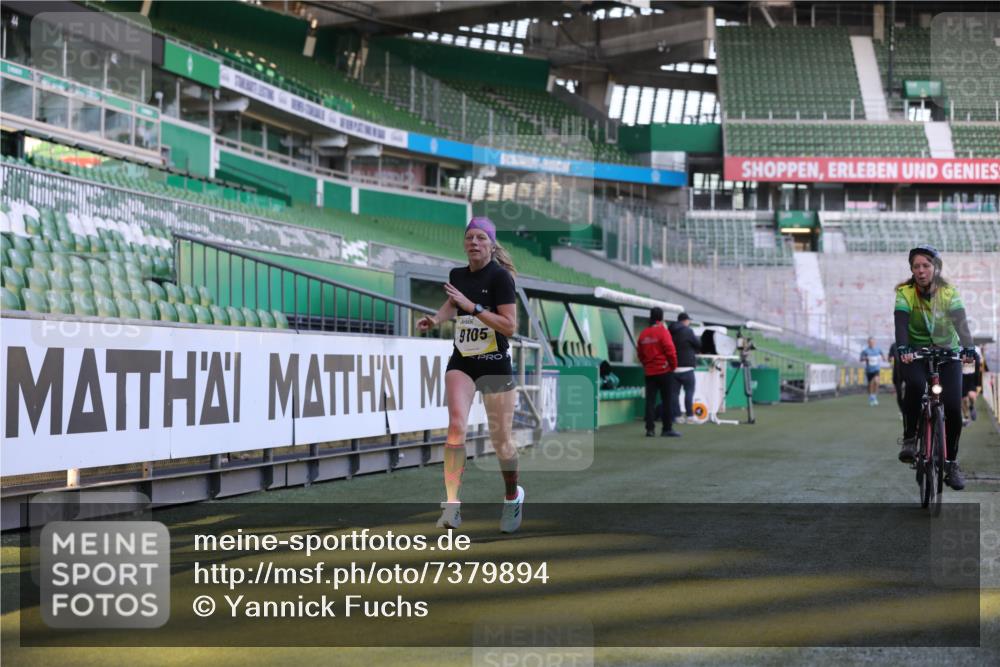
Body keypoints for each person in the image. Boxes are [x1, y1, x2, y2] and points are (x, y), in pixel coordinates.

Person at [417, 217, 524, 532]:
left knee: (501, 439)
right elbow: (454, 302)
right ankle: (451, 506)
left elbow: (510, 327)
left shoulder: (502, 278)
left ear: (491, 245)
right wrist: (437, 319)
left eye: (480, 238)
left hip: (494, 362)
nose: (474, 243)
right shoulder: (457, 274)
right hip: (463, 360)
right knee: (455, 427)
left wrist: (474, 307)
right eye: (469, 238)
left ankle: (512, 496)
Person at [894, 245, 977, 491]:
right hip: (916, 353)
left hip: (947, 352)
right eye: (916, 266)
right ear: (912, 270)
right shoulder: (905, 293)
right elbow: (900, 324)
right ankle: (910, 439)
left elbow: (961, 324)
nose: (921, 271)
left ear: (935, 268)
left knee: (952, 406)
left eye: (926, 266)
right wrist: (903, 348)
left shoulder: (949, 292)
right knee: (917, 385)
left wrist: (968, 347)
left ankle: (951, 464)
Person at [637, 306, 679, 437]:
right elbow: (670, 350)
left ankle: (650, 429)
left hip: (650, 372)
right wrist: (673, 366)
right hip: (664, 371)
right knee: (667, 400)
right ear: (661, 318)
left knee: (650, 401)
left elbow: (640, 353)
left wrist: (647, 365)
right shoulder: (663, 332)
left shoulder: (643, 334)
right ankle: (666, 429)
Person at [668, 312, 701, 425]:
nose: (689, 322)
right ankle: (690, 416)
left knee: (674, 394)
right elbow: (698, 345)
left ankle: (677, 416)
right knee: (689, 393)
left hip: (673, 367)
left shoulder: (669, 331)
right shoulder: (688, 331)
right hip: (687, 367)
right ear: (685, 321)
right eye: (689, 320)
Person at [859, 337, 885, 406]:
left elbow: (882, 355)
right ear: (868, 343)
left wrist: (883, 357)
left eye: (873, 342)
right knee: (870, 384)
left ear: (875, 342)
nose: (871, 343)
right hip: (869, 370)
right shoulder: (865, 351)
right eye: (870, 342)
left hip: (876, 369)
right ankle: (871, 397)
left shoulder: (878, 349)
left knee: (876, 382)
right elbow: (861, 359)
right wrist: (865, 358)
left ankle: (875, 397)